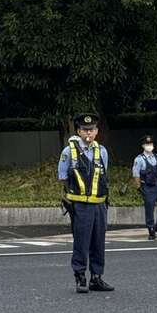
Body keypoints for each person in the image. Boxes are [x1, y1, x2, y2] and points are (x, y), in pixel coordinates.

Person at [58, 113, 114, 294]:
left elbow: (104, 176)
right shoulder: (69, 151)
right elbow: (63, 177)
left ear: (97, 131)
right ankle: (80, 276)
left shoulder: (102, 151)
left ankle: (96, 277)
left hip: (99, 204)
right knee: (81, 241)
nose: (88, 133)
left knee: (99, 241)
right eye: (84, 130)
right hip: (80, 205)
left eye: (91, 130)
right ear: (79, 131)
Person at [131, 135, 157, 240]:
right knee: (150, 209)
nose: (150, 146)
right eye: (147, 144)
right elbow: (136, 175)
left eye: (151, 144)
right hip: (148, 187)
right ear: (143, 146)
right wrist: (139, 188)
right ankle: (151, 229)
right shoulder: (139, 159)